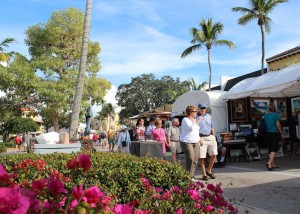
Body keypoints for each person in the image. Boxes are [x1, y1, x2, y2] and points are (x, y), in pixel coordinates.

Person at [180, 106, 202, 182]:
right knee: (190, 158)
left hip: (195, 141)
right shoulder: (185, 120)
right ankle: (186, 176)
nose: (196, 113)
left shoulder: (194, 120)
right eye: (195, 111)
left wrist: (200, 139)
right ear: (190, 112)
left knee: (195, 159)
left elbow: (196, 131)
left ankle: (191, 176)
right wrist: (198, 121)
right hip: (186, 141)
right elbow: (191, 128)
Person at [197, 103, 218, 181]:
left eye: (204, 108)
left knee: (214, 154)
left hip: (210, 136)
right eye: (201, 108)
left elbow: (212, 126)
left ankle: (209, 170)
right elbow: (195, 128)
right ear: (198, 109)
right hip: (201, 137)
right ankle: (204, 174)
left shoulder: (208, 116)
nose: (203, 110)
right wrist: (198, 138)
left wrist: (213, 136)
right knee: (202, 156)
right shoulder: (196, 117)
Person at [264, 103, 284, 171]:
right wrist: (281, 133)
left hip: (267, 134)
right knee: (274, 149)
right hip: (274, 133)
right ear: (274, 108)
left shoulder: (265, 115)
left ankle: (273, 164)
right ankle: (269, 163)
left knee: (270, 149)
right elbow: (278, 125)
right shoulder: (275, 114)